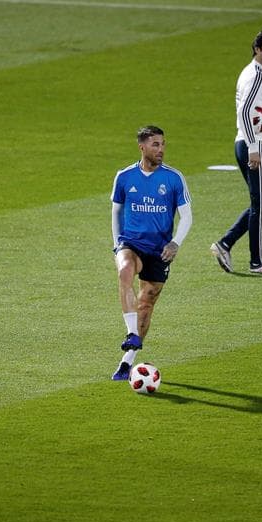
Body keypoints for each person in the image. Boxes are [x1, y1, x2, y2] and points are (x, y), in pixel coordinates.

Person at [109, 125, 192, 380]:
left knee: (146, 304)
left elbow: (187, 216)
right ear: (142, 147)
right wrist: (117, 244)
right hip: (131, 244)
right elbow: (116, 211)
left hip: (159, 250)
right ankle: (131, 333)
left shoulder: (174, 178)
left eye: (163, 144)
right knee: (125, 270)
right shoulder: (125, 177)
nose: (161, 149)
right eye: (155, 144)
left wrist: (175, 243)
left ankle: (127, 361)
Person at [210, 28, 262, 274]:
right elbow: (244, 112)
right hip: (254, 144)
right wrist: (256, 148)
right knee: (261, 203)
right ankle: (257, 262)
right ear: (257, 49)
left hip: (259, 143)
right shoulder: (255, 74)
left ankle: (225, 244)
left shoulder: (255, 73)